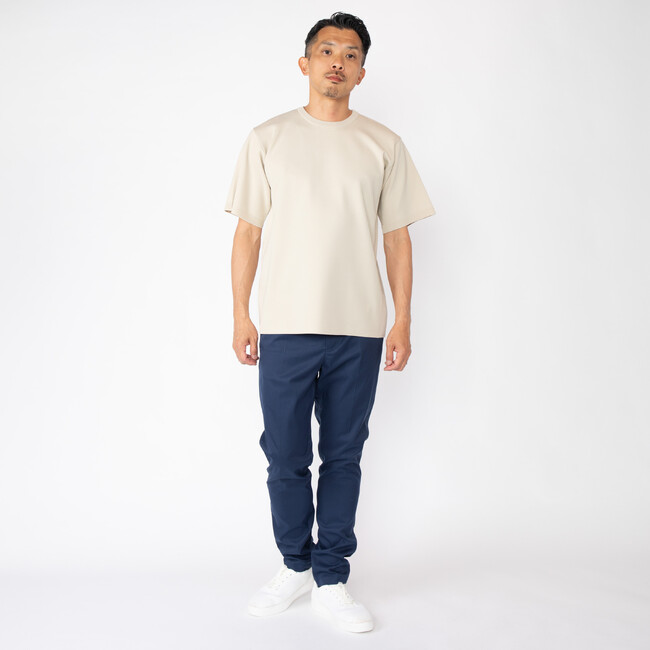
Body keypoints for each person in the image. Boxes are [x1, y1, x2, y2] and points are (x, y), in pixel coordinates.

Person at [224, 12, 436, 634]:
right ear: (305, 63)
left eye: (349, 54)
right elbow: (247, 233)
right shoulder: (268, 139)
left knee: (343, 455)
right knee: (284, 455)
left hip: (359, 328)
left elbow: (397, 238)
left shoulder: (383, 144)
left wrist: (402, 320)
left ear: (362, 72)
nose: (337, 62)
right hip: (284, 324)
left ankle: (331, 577)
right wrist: (241, 314)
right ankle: (294, 564)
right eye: (326, 51)